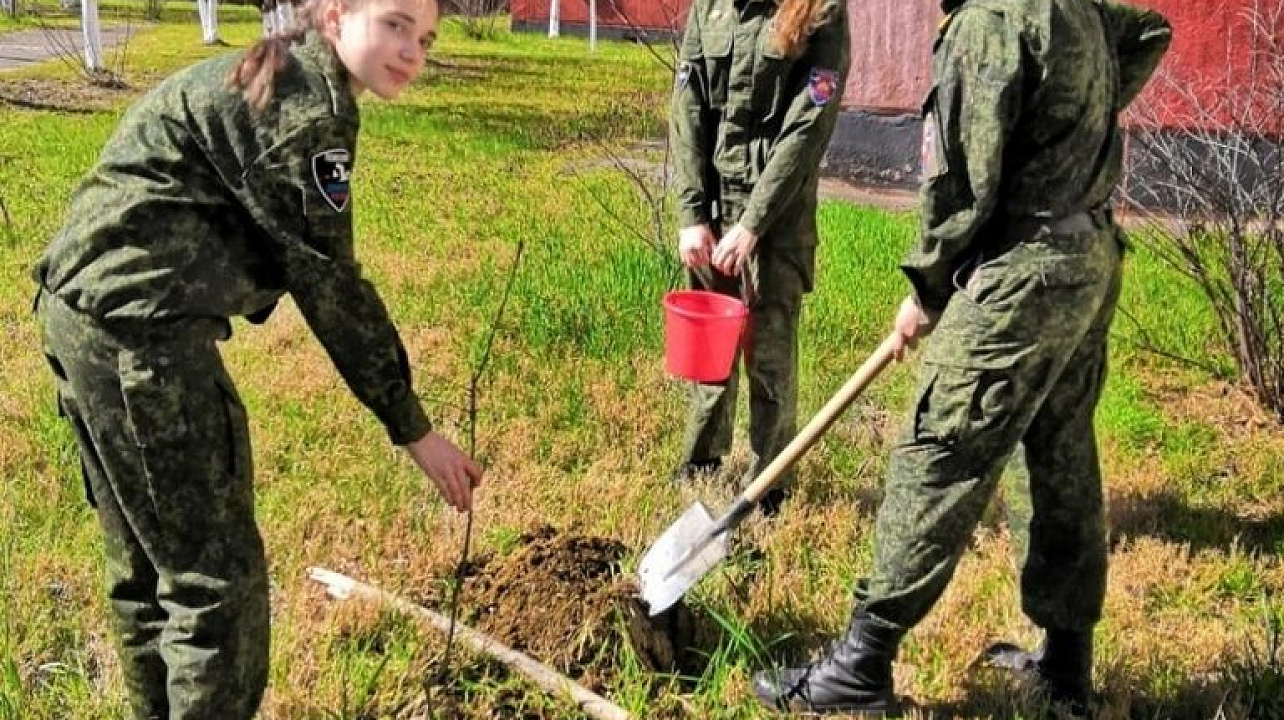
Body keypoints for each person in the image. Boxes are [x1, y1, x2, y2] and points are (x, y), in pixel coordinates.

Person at [31, 0, 482, 717]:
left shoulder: (289, 71)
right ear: (335, 15)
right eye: (395, 23)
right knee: (218, 591)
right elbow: (330, 285)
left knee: (152, 573)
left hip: (85, 317)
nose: (412, 52)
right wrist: (414, 428)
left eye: (425, 38)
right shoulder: (307, 113)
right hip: (139, 338)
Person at [753, 0, 1171, 716]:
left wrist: (927, 286)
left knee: (939, 449)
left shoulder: (986, 24)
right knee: (1061, 453)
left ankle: (861, 665)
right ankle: (1067, 668)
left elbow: (962, 188)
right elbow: (1150, 33)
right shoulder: (1071, 7)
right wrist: (1069, 136)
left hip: (1026, 270)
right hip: (1089, 257)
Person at [669, 0, 851, 513]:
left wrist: (753, 224)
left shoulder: (820, 10)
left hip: (779, 220)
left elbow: (807, 127)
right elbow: (688, 107)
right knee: (709, 355)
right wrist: (691, 213)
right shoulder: (711, 7)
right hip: (712, 214)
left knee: (769, 360)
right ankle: (699, 468)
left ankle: (769, 489)